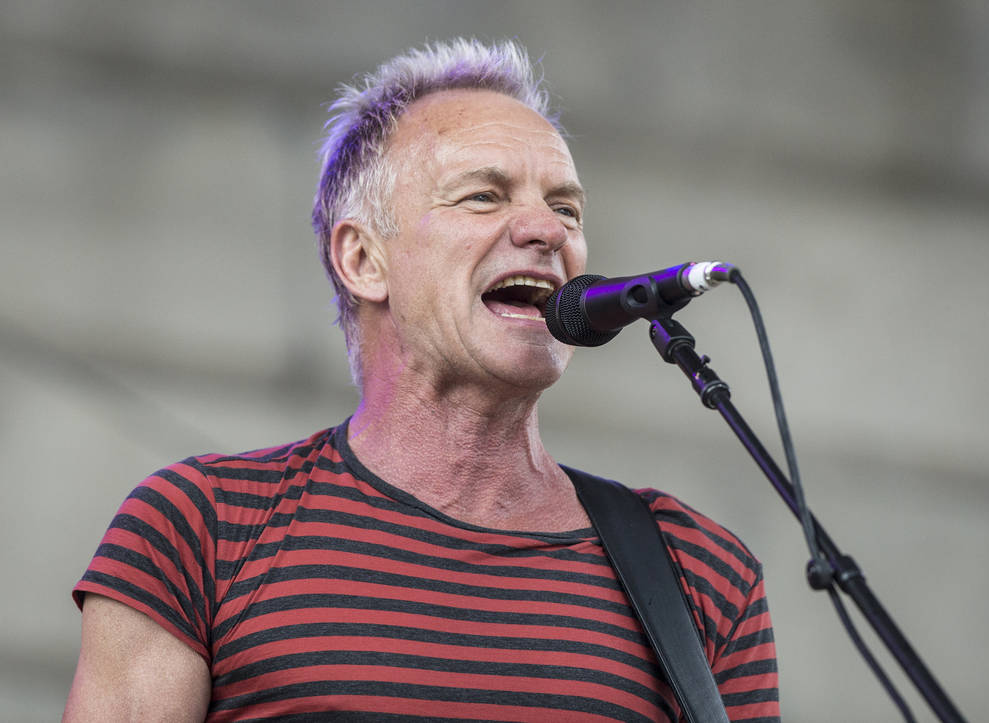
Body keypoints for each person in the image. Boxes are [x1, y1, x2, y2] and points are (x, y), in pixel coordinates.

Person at [64, 38, 779, 722]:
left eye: (566, 208)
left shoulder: (698, 571)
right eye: (483, 196)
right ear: (364, 260)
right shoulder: (200, 527)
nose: (546, 230)